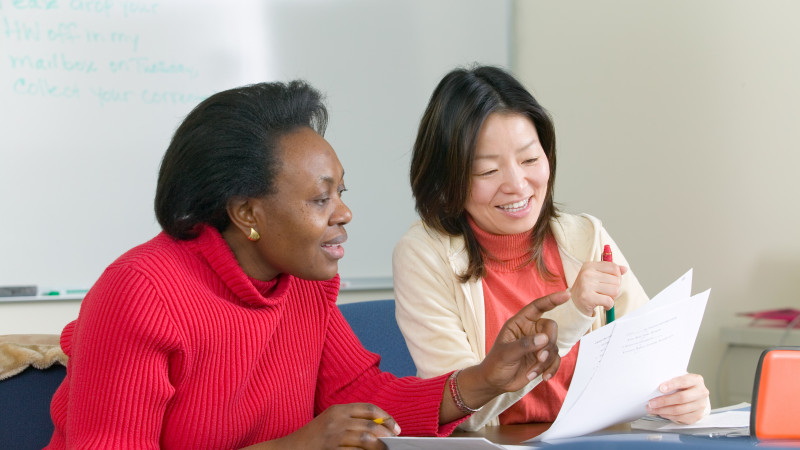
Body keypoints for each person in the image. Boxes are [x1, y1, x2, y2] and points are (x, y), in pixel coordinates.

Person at [44, 80, 570, 450]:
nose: (344, 213)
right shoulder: (140, 293)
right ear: (247, 212)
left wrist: (484, 379)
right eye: (321, 200)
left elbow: (366, 399)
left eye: (340, 192)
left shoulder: (303, 284)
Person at [392, 65, 710, 431]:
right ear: (447, 178)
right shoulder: (423, 254)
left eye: (530, 160)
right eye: (487, 171)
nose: (517, 184)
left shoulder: (586, 237)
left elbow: (649, 367)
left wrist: (682, 398)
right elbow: (466, 411)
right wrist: (572, 314)